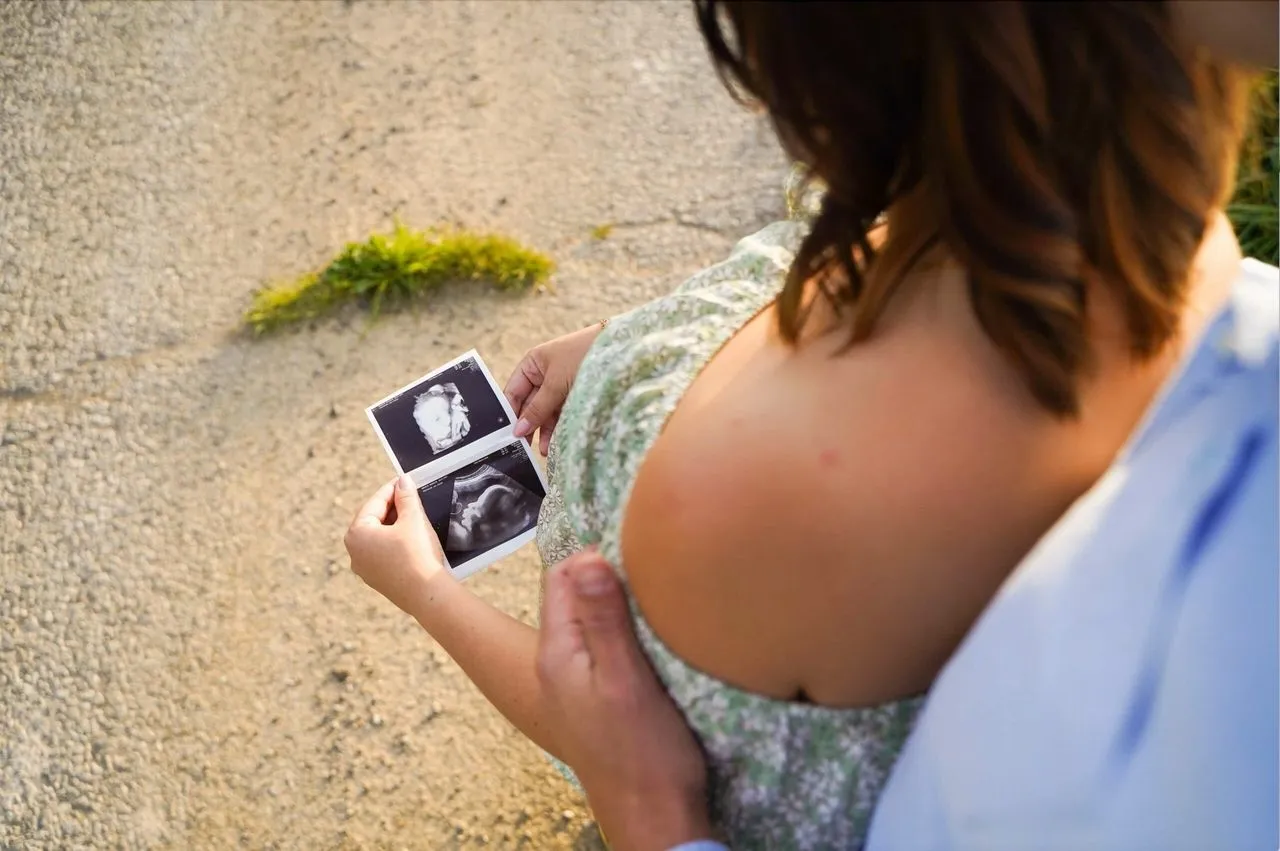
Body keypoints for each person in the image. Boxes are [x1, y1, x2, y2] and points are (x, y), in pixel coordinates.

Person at [346, 2, 1262, 846]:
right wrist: (649, 340)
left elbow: (606, 720)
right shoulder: (1174, 235)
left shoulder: (767, 502)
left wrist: (430, 590)